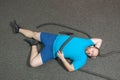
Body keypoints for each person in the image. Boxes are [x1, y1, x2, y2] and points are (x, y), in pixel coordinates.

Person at [10, 21, 102, 72]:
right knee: (34, 33)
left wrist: (62, 58)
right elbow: (100, 40)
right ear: (92, 46)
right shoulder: (87, 42)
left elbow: (71, 69)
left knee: (33, 64)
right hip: (53, 38)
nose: (90, 52)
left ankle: (34, 44)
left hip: (52, 52)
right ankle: (18, 29)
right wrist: (97, 50)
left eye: (91, 54)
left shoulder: (82, 59)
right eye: (93, 50)